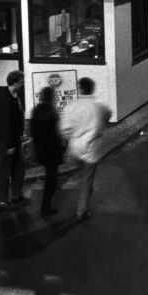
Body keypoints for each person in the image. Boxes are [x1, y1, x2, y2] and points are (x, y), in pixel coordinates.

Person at [62, 77, 111, 222]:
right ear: (92, 88)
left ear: (80, 89)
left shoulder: (71, 106)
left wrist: (69, 137)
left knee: (79, 170)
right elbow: (107, 115)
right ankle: (81, 210)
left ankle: (82, 187)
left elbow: (64, 128)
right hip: (91, 148)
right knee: (87, 179)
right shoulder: (100, 107)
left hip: (75, 147)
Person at [0, 70, 27, 213]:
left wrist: (20, 134)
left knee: (19, 168)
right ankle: (2, 201)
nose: (23, 84)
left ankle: (16, 195)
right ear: (15, 82)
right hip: (7, 142)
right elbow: (5, 125)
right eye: (21, 82)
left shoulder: (14, 96)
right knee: (4, 172)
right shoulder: (6, 101)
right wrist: (8, 146)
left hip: (14, 140)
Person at [30, 86, 66, 216]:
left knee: (49, 176)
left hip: (40, 149)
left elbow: (33, 131)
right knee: (52, 178)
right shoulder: (52, 112)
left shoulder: (36, 110)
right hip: (52, 150)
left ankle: (45, 205)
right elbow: (57, 133)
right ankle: (45, 206)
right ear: (51, 97)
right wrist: (63, 146)